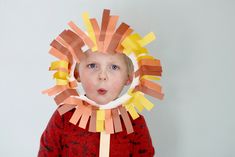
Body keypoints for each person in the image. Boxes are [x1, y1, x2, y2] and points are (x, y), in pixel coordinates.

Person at [38, 50, 155, 156]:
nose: (102, 76)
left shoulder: (135, 123)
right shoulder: (64, 117)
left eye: (114, 67)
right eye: (92, 65)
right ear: (77, 73)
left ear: (129, 77)